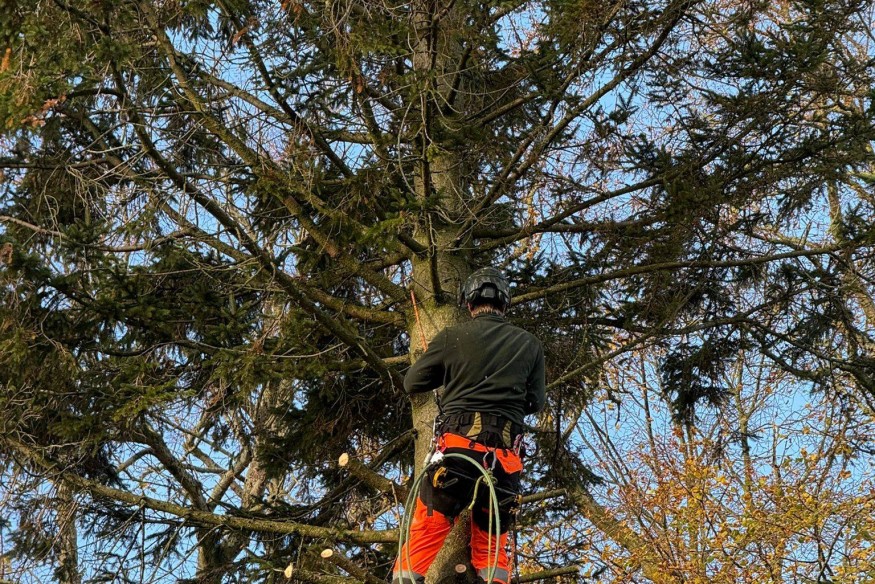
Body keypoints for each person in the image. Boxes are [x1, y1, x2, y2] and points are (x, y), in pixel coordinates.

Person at [392, 267, 546, 584]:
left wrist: (448, 372)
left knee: (426, 530)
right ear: (505, 302)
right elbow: (534, 403)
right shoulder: (529, 344)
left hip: (458, 451)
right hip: (503, 462)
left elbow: (412, 382)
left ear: (468, 302)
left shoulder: (453, 338)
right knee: (492, 548)